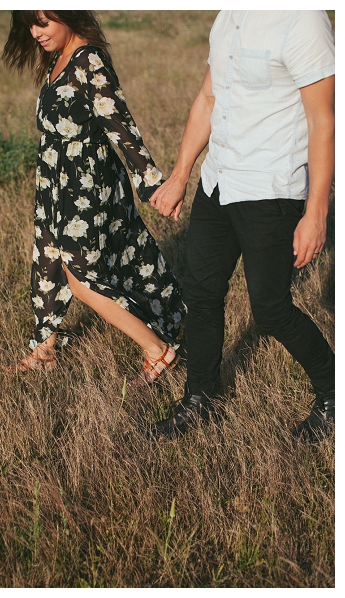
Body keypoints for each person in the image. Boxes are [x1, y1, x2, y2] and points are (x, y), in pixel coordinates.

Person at [148, 11, 335, 441]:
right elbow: (209, 99)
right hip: (217, 182)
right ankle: (200, 399)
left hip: (271, 188)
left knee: (270, 310)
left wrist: (317, 212)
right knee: (202, 292)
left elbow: (323, 120)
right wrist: (180, 176)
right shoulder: (230, 14)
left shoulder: (303, 20)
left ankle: (332, 392)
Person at [1, 11, 186, 385]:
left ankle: (158, 351)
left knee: (81, 276)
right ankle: (45, 350)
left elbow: (120, 124)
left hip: (87, 185)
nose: (37, 33)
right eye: (31, 25)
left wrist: (151, 183)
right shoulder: (57, 58)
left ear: (67, 15)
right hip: (55, 181)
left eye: (44, 23)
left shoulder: (90, 59)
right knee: (48, 262)